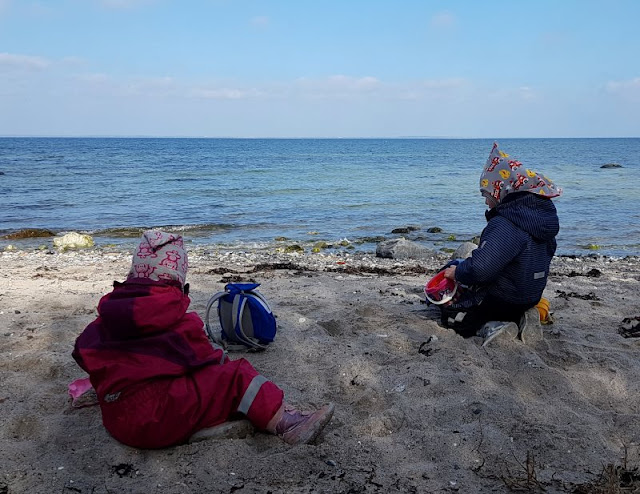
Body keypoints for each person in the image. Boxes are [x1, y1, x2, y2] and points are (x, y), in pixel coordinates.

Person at [72, 230, 334, 449]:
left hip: (118, 420)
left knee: (142, 372)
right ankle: (286, 422)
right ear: (178, 280)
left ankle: (205, 422)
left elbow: (81, 352)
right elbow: (208, 360)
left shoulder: (103, 320)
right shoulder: (179, 323)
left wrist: (113, 378)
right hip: (156, 422)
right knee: (236, 376)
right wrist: (221, 365)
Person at [441, 142, 562, 346]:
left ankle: (495, 327)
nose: (485, 202)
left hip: (502, 299)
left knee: (453, 316)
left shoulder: (505, 223)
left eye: (485, 194)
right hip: (530, 295)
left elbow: (481, 269)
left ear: (500, 191)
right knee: (464, 267)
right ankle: (524, 317)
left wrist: (458, 273)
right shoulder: (542, 219)